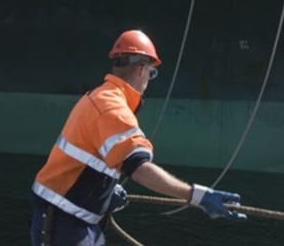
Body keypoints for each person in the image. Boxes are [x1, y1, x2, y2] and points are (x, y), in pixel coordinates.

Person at [29, 30, 245, 246]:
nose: (149, 80)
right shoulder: (111, 107)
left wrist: (104, 191)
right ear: (142, 69)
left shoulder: (99, 97)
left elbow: (88, 156)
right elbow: (139, 167)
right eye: (152, 73)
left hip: (70, 221)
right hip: (64, 227)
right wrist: (197, 196)